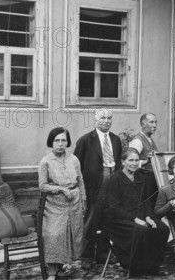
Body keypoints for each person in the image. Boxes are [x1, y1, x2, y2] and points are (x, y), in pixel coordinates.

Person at [102, 148, 169, 275]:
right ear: (123, 162)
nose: (134, 163)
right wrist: (136, 219)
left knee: (162, 229)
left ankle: (152, 265)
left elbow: (146, 200)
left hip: (141, 214)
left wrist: (148, 217)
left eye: (136, 160)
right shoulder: (115, 179)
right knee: (142, 231)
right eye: (130, 160)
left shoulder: (140, 176)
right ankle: (136, 267)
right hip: (117, 220)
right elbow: (114, 208)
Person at [74, 108, 122, 260]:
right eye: (103, 118)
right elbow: (77, 165)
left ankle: (103, 254)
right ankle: (86, 255)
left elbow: (119, 161)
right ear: (95, 119)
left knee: (108, 219)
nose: (106, 121)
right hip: (94, 187)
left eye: (109, 118)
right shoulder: (86, 140)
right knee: (92, 220)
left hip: (112, 184)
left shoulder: (115, 139)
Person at [38, 128, 85, 280]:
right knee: (54, 234)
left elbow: (81, 181)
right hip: (54, 205)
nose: (60, 144)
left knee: (73, 233)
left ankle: (67, 264)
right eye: (57, 140)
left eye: (63, 140)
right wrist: (61, 189)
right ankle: (52, 271)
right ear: (51, 142)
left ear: (67, 142)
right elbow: (42, 186)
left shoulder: (74, 159)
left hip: (74, 201)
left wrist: (83, 200)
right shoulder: (46, 161)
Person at [129, 113, 160, 207]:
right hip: (143, 181)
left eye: (155, 122)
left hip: (152, 180)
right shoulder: (137, 141)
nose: (154, 125)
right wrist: (146, 161)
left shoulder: (150, 139)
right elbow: (130, 162)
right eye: (151, 122)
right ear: (143, 124)